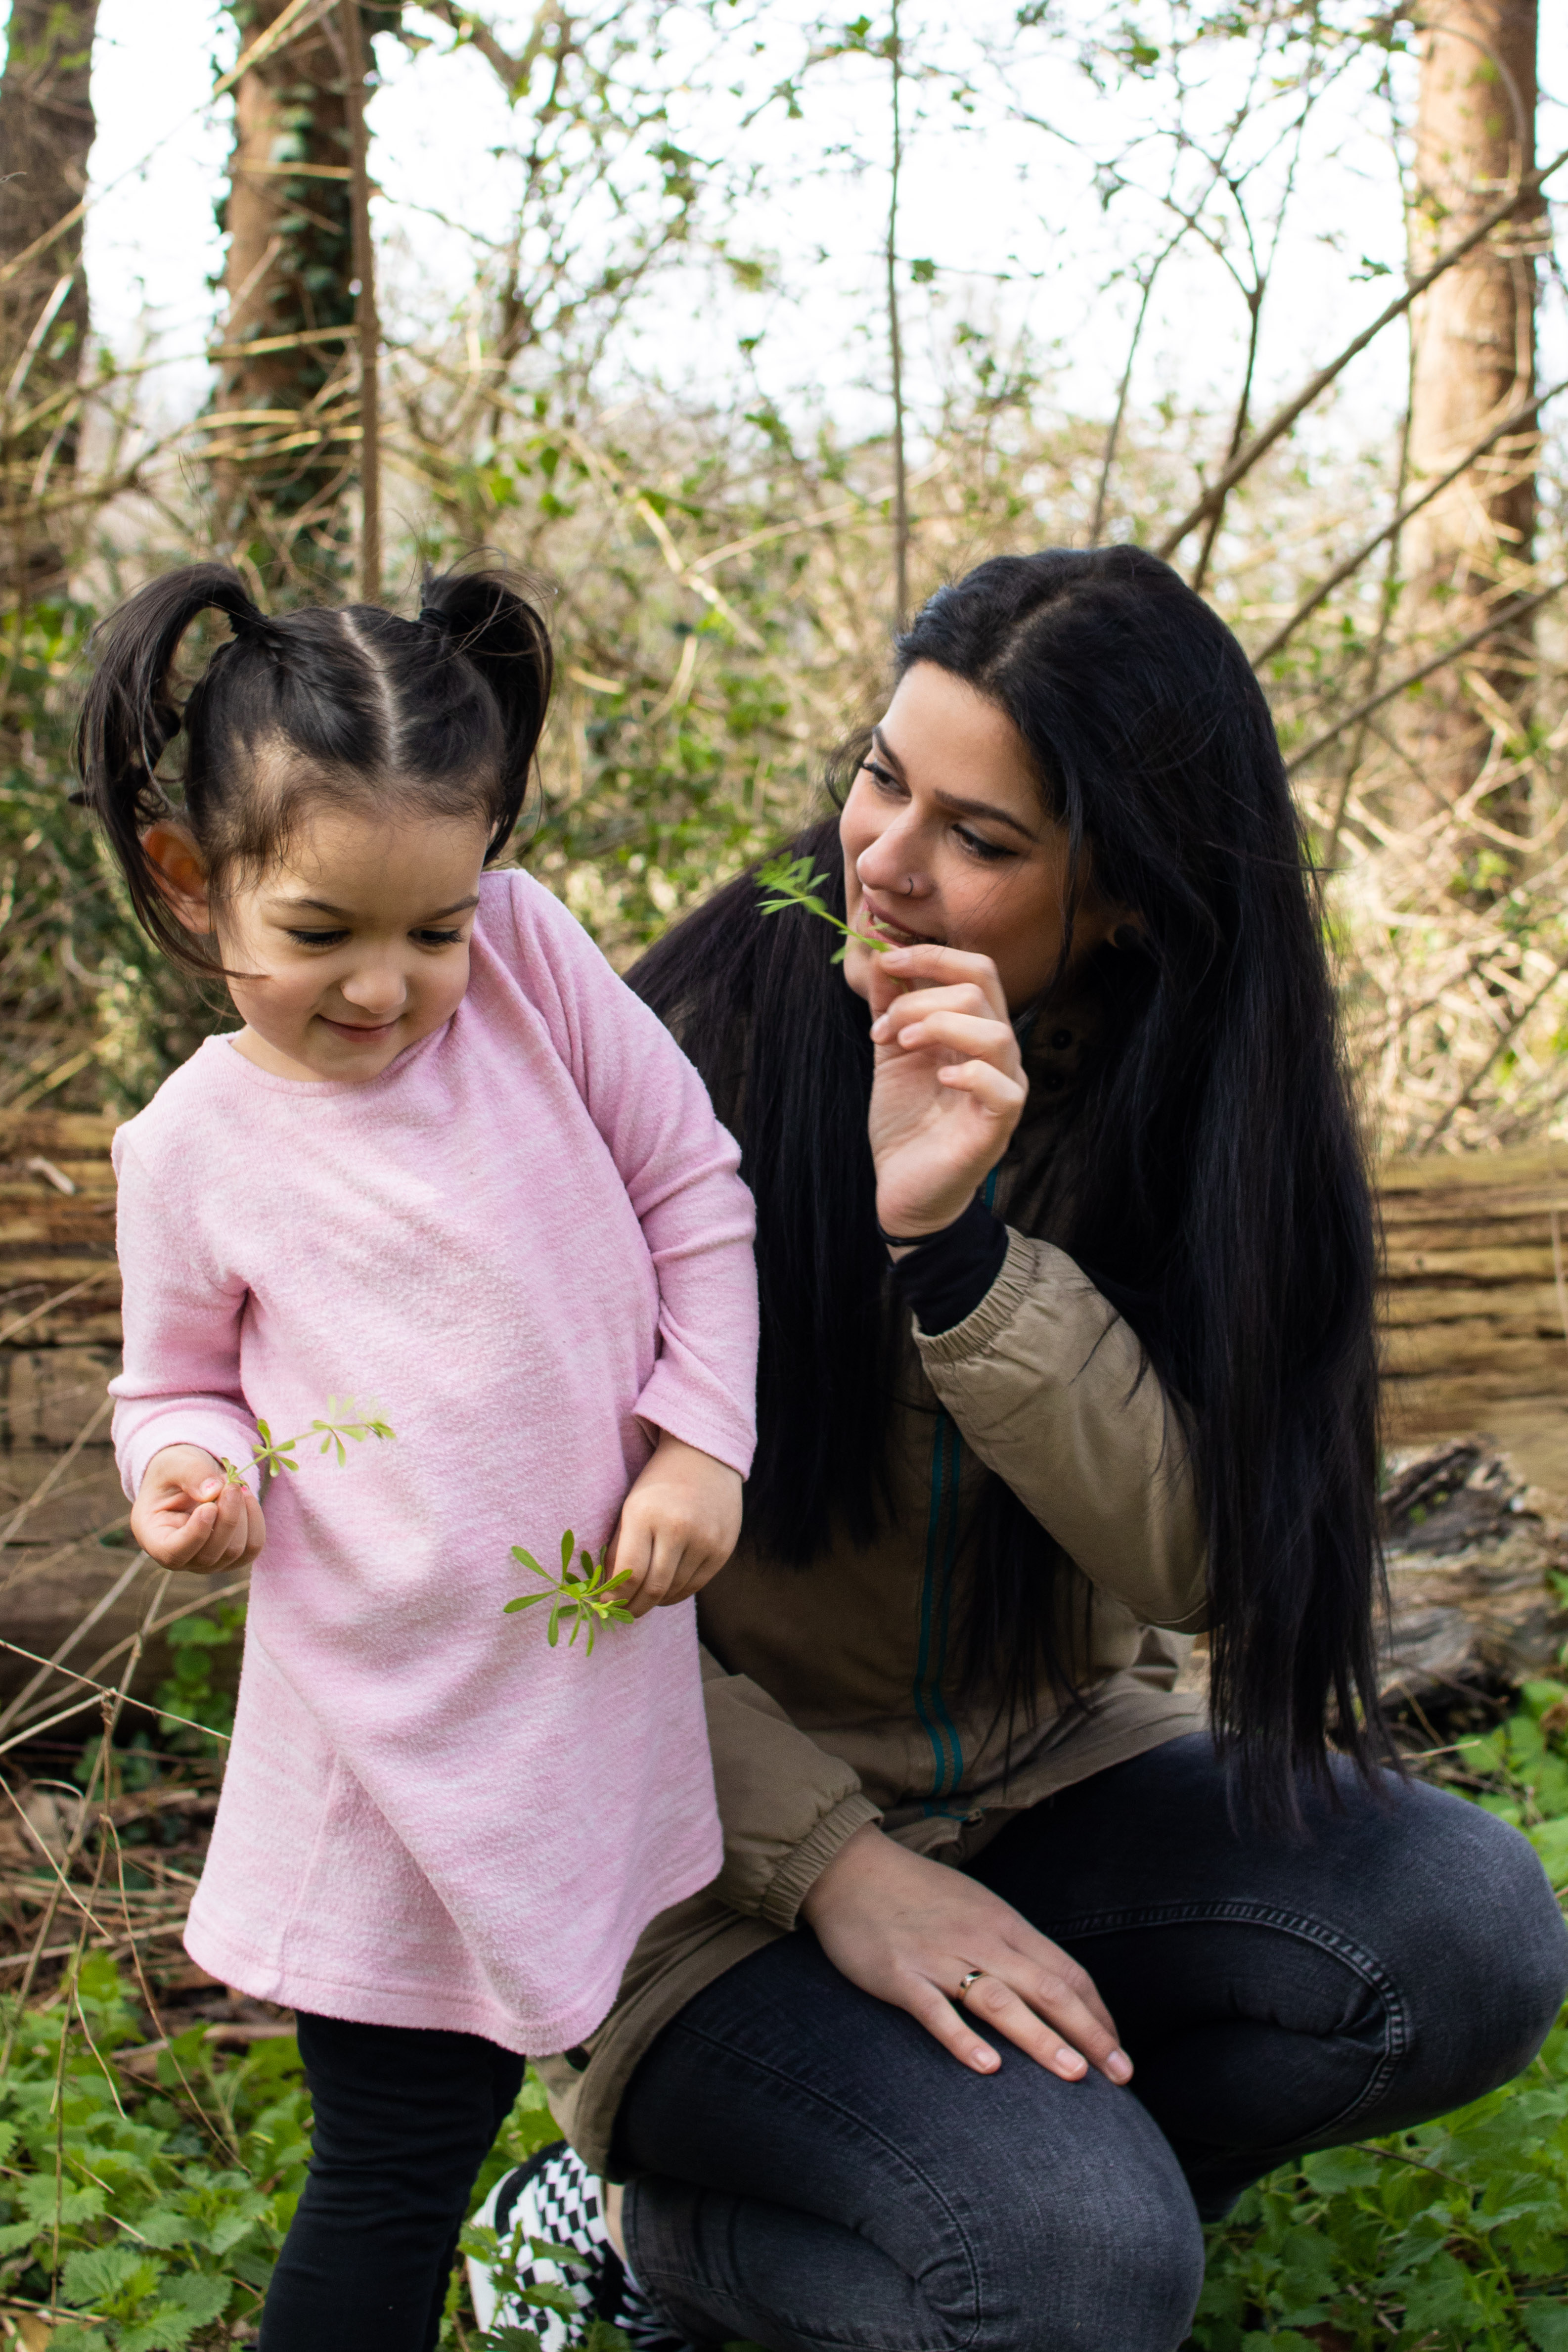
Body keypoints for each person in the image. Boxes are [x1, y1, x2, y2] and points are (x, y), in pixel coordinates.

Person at [469, 546, 1568, 2352]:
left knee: (1467, 1933)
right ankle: (635, 2233)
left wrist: (961, 1258)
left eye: (979, 836)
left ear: (1125, 898)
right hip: (698, 1870)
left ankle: (975, 2192)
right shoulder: (685, 1054)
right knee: (1078, 2261)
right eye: (882, 778)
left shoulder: (1201, 1113)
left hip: (1054, 1783)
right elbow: (536, 1575)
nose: (882, 859)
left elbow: (1213, 1569)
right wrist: (834, 1863)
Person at [79, 562, 759, 2352]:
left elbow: (693, 1190)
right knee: (391, 2163)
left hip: (581, 1680)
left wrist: (700, 1439)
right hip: (385, 1737)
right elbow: (177, 1382)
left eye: (431, 926)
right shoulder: (194, 1146)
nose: (388, 985)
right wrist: (185, 1472)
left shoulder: (532, 965)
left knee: (618, 2030)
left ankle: (629, 2238)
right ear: (188, 878)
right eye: (320, 934)